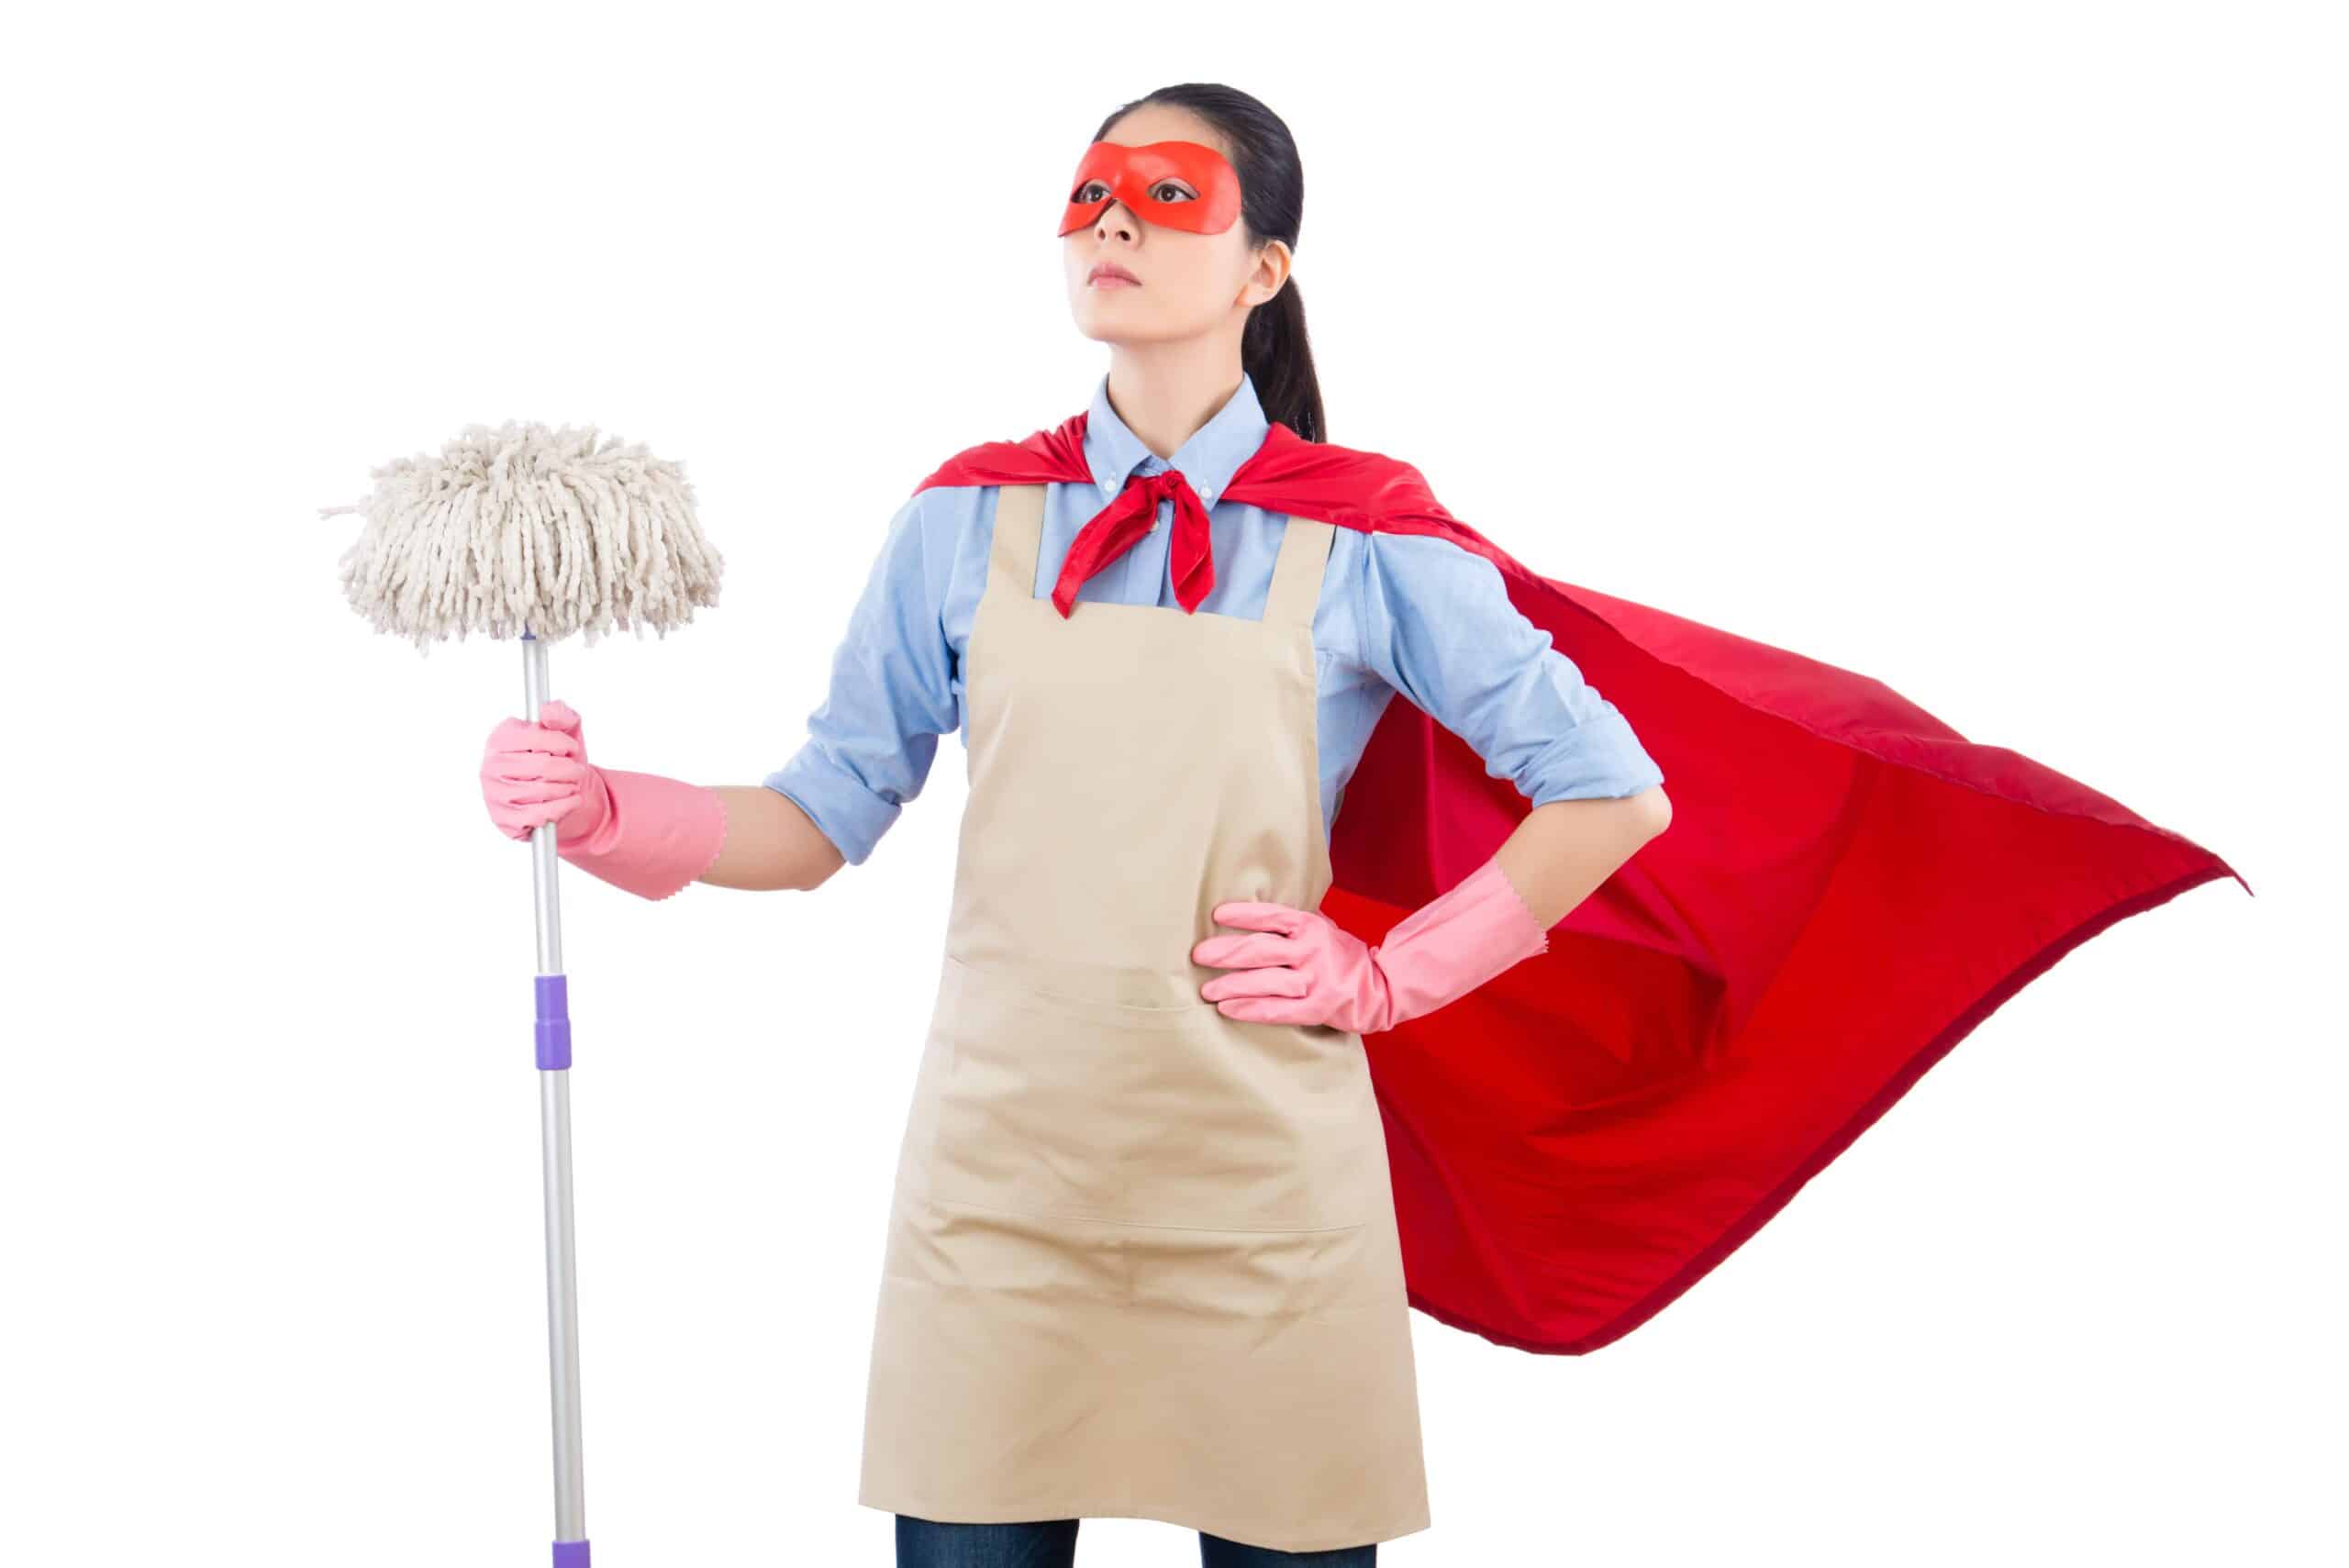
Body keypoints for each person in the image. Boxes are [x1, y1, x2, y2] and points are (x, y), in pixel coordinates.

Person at [478, 83, 2239, 1568]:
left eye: (1164, 196)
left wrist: (1390, 969)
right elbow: (820, 812)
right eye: (1087, 195)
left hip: (1259, 1182)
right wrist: (611, 807)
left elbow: (1610, 787)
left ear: (1263, 264)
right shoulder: (962, 522)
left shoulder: (1367, 537)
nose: (1110, 221)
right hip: (999, 1183)